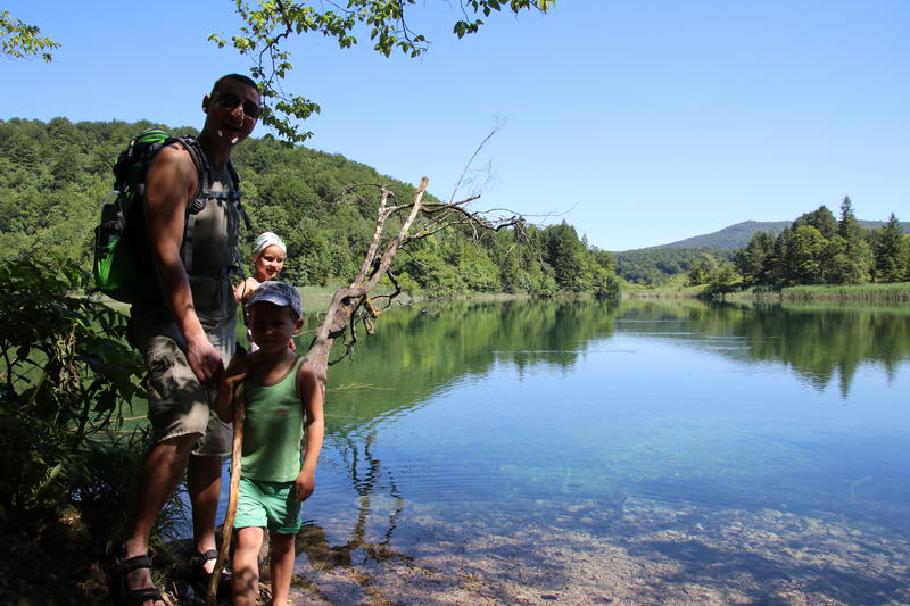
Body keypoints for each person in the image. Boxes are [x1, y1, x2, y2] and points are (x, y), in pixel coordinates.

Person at [118, 73, 261, 606]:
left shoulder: (228, 173)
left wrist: (236, 330)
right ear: (208, 103)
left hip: (219, 322)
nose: (239, 114)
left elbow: (219, 261)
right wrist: (194, 336)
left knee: (217, 438)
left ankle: (205, 549)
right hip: (169, 318)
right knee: (186, 420)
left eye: (250, 109)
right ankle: (134, 550)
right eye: (230, 102)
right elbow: (165, 254)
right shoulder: (179, 162)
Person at [215, 281, 325, 606]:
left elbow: (316, 421)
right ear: (248, 325)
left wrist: (309, 468)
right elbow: (224, 414)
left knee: (284, 544)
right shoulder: (245, 367)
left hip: (288, 482)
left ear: (297, 324)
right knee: (246, 541)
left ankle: (280, 601)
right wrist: (227, 384)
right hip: (246, 479)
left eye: (277, 324)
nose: (268, 331)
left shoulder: (301, 372)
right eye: (259, 324)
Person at [233, 231, 288, 304]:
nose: (274, 265)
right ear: (256, 258)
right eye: (269, 259)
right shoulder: (249, 285)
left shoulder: (282, 288)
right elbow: (235, 299)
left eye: (279, 260)